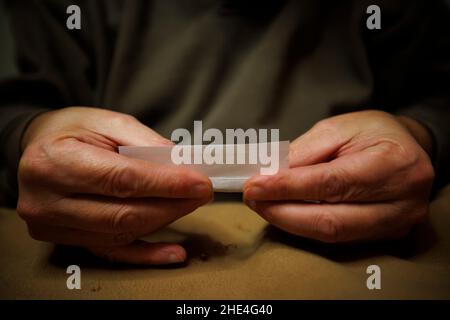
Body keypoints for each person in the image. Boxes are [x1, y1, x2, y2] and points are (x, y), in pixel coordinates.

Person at [0, 0, 449, 265]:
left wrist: (417, 134)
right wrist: (29, 134)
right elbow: (23, 100)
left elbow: (435, 92)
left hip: (358, 254)